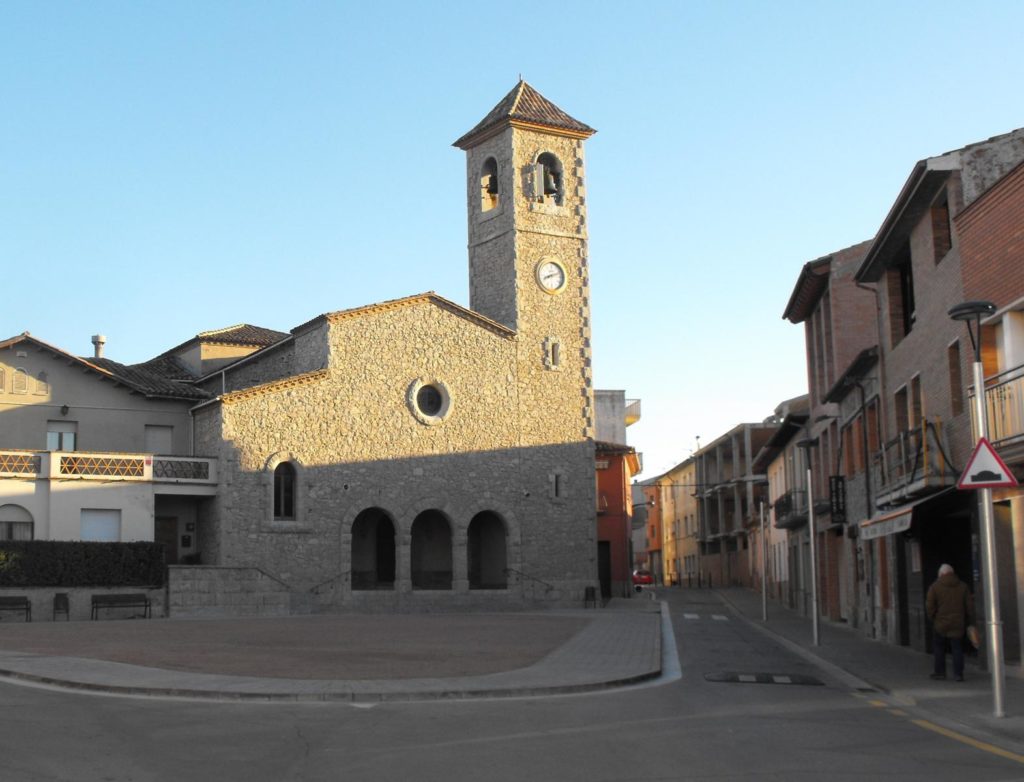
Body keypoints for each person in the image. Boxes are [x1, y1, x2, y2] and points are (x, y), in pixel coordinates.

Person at [925, 563, 975, 681]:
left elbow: (930, 605)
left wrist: (932, 618)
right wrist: (968, 619)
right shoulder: (963, 586)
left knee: (939, 647)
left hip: (940, 623)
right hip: (958, 622)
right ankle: (958, 674)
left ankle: (940, 672)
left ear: (941, 574)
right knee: (957, 648)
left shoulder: (935, 587)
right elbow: (969, 606)